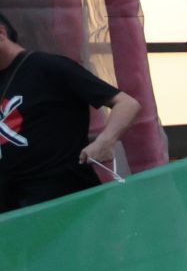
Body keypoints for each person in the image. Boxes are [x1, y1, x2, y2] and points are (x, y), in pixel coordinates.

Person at [0, 11, 143, 212]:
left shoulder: (47, 66)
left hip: (61, 191)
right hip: (11, 194)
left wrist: (105, 141)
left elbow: (126, 104)